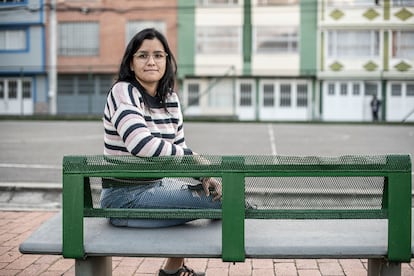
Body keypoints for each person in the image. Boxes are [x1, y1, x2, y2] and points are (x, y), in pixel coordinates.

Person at [100, 28, 222, 276]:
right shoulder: (124, 91)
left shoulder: (171, 99)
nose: (151, 61)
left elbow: (178, 148)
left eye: (158, 55)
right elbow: (140, 144)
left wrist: (202, 175)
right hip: (124, 197)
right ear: (131, 63)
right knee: (226, 203)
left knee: (214, 194)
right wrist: (195, 159)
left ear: (167, 60)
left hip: (155, 187)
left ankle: (172, 271)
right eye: (143, 55)